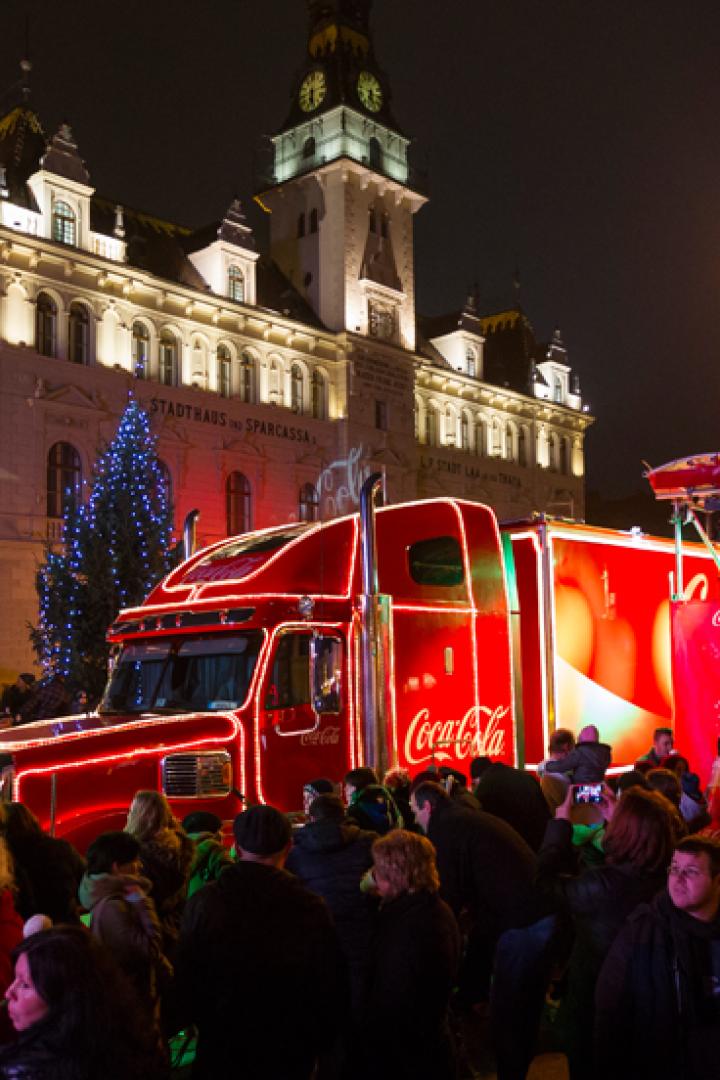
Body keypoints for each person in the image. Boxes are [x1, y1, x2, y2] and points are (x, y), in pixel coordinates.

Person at [174, 804, 345, 1080]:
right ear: (288, 848)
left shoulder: (206, 902)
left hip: (221, 1043)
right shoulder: (309, 906)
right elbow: (328, 980)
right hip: (288, 1047)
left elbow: (186, 974)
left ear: (238, 849)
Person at [411, 781, 555, 1077]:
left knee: (511, 1007)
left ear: (427, 807)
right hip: (537, 911)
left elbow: (449, 892)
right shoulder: (464, 818)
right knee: (521, 1004)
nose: (414, 819)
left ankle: (510, 1071)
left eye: (415, 811)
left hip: (523, 920)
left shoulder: (445, 828)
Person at [537, 785, 676, 1079]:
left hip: (597, 1001)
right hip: (651, 1004)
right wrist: (623, 820)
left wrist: (560, 824)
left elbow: (542, 888)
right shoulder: (668, 877)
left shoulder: (603, 885)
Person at [595, 835, 720, 1080]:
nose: (677, 879)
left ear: (717, 880)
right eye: (674, 869)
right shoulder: (642, 935)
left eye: (691, 871)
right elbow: (609, 1015)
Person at [0, 926, 166, 1079]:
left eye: (25, 984)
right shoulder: (125, 1038)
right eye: (15, 978)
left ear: (66, 999)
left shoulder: (38, 1072)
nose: (9, 993)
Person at [358, 830, 460, 1079]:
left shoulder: (410, 929)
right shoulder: (432, 907)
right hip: (430, 1042)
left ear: (396, 877)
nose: (373, 876)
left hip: (409, 1054)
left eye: (379, 872)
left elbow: (395, 1001)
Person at [286, 792, 376, 1007]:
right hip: (361, 926)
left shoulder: (295, 850)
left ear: (312, 817)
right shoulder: (368, 841)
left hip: (318, 929)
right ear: (342, 814)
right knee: (359, 991)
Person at [78, 830, 171, 1031]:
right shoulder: (114, 907)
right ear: (117, 867)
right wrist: (141, 902)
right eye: (135, 860)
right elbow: (150, 949)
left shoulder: (106, 897)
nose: (140, 866)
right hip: (132, 1003)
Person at [125, 791, 194, 953]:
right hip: (177, 930)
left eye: (131, 811)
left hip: (146, 933)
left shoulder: (135, 855)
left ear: (139, 816)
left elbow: (135, 899)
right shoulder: (181, 849)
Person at [0, 803, 85, 925]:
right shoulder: (60, 848)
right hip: (65, 922)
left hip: (25, 926)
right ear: (32, 820)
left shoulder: (7, 858)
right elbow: (84, 881)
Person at [473, 760, 551, 851]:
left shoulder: (486, 786)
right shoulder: (523, 776)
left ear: (477, 778)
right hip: (543, 839)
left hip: (520, 845)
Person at [181, 811, 232, 898]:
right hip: (205, 905)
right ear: (215, 832)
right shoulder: (215, 849)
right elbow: (231, 879)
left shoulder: (176, 849)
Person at [544, 724, 611, 784]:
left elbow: (562, 766)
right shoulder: (605, 753)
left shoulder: (580, 752)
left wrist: (546, 766)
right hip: (598, 787)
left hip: (581, 787)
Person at [343, 767, 401, 835]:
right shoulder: (389, 802)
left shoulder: (354, 810)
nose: (345, 790)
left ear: (354, 788)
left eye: (347, 786)